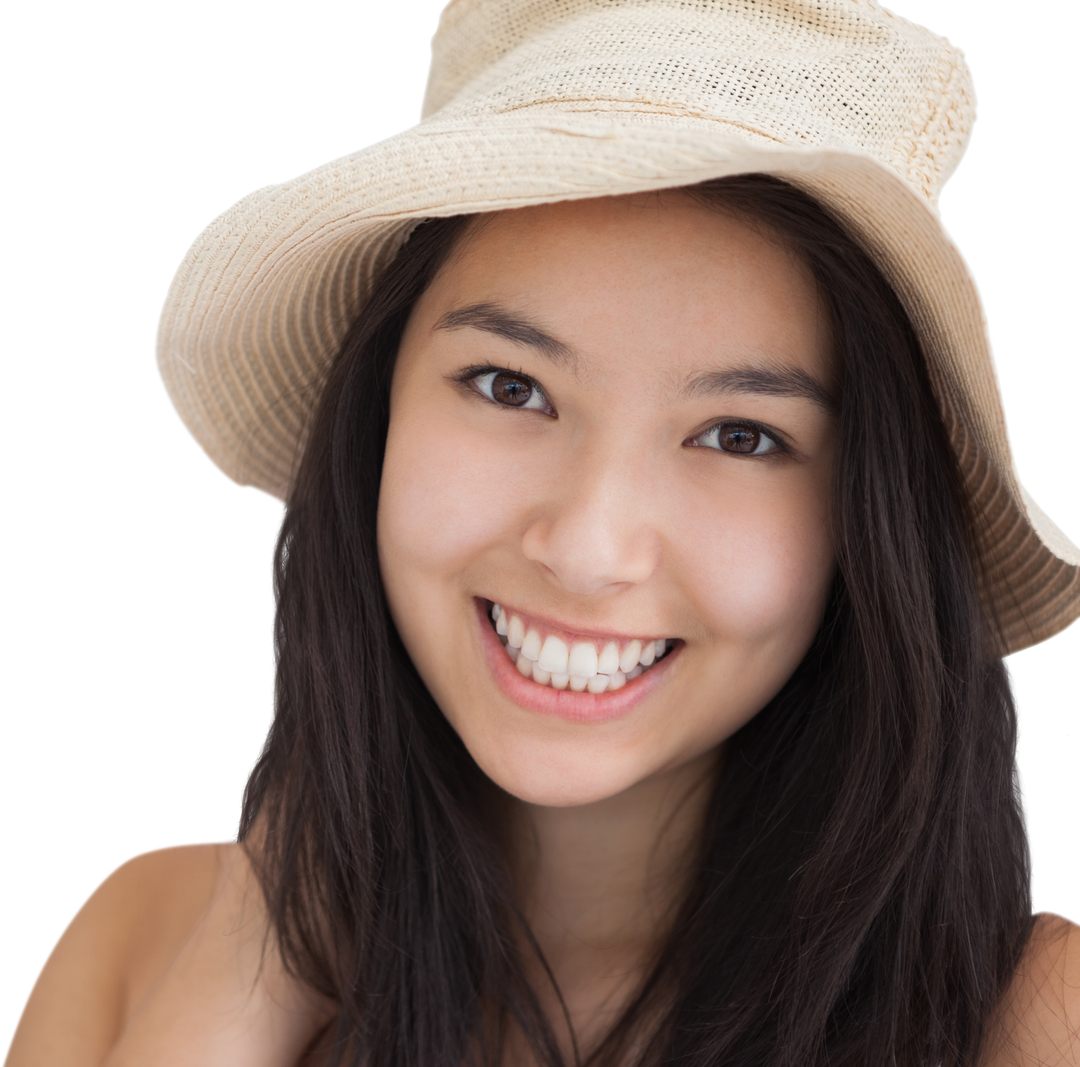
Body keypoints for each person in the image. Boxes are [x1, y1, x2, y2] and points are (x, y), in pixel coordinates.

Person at [5, 1, 1077, 1065]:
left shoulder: (1036, 1014)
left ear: (870, 522)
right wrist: (258, 958)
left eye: (741, 435)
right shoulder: (146, 936)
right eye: (509, 384)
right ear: (374, 410)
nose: (588, 547)